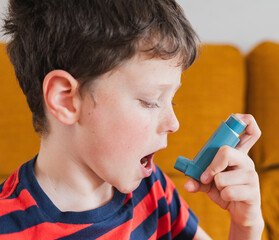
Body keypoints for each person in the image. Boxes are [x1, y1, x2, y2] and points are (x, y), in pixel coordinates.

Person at [0, 0, 264, 239]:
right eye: (150, 101)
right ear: (66, 100)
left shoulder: (153, 191)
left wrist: (246, 227)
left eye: (171, 100)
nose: (174, 124)